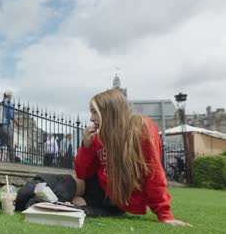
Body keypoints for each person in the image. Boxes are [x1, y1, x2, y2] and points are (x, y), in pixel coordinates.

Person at [72, 89, 191, 226]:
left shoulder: (141, 128)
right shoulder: (99, 136)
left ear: (110, 111)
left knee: (59, 190)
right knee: (60, 184)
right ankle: (62, 198)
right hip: (99, 189)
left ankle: (68, 201)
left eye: (95, 112)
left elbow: (153, 174)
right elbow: (82, 173)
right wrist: (86, 147)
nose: (91, 118)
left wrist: (165, 215)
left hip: (117, 198)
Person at [0, 90, 19, 162]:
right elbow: (11, 116)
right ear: (9, 96)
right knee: (10, 145)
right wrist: (17, 123)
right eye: (11, 96)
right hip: (5, 126)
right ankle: (12, 162)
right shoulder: (9, 104)